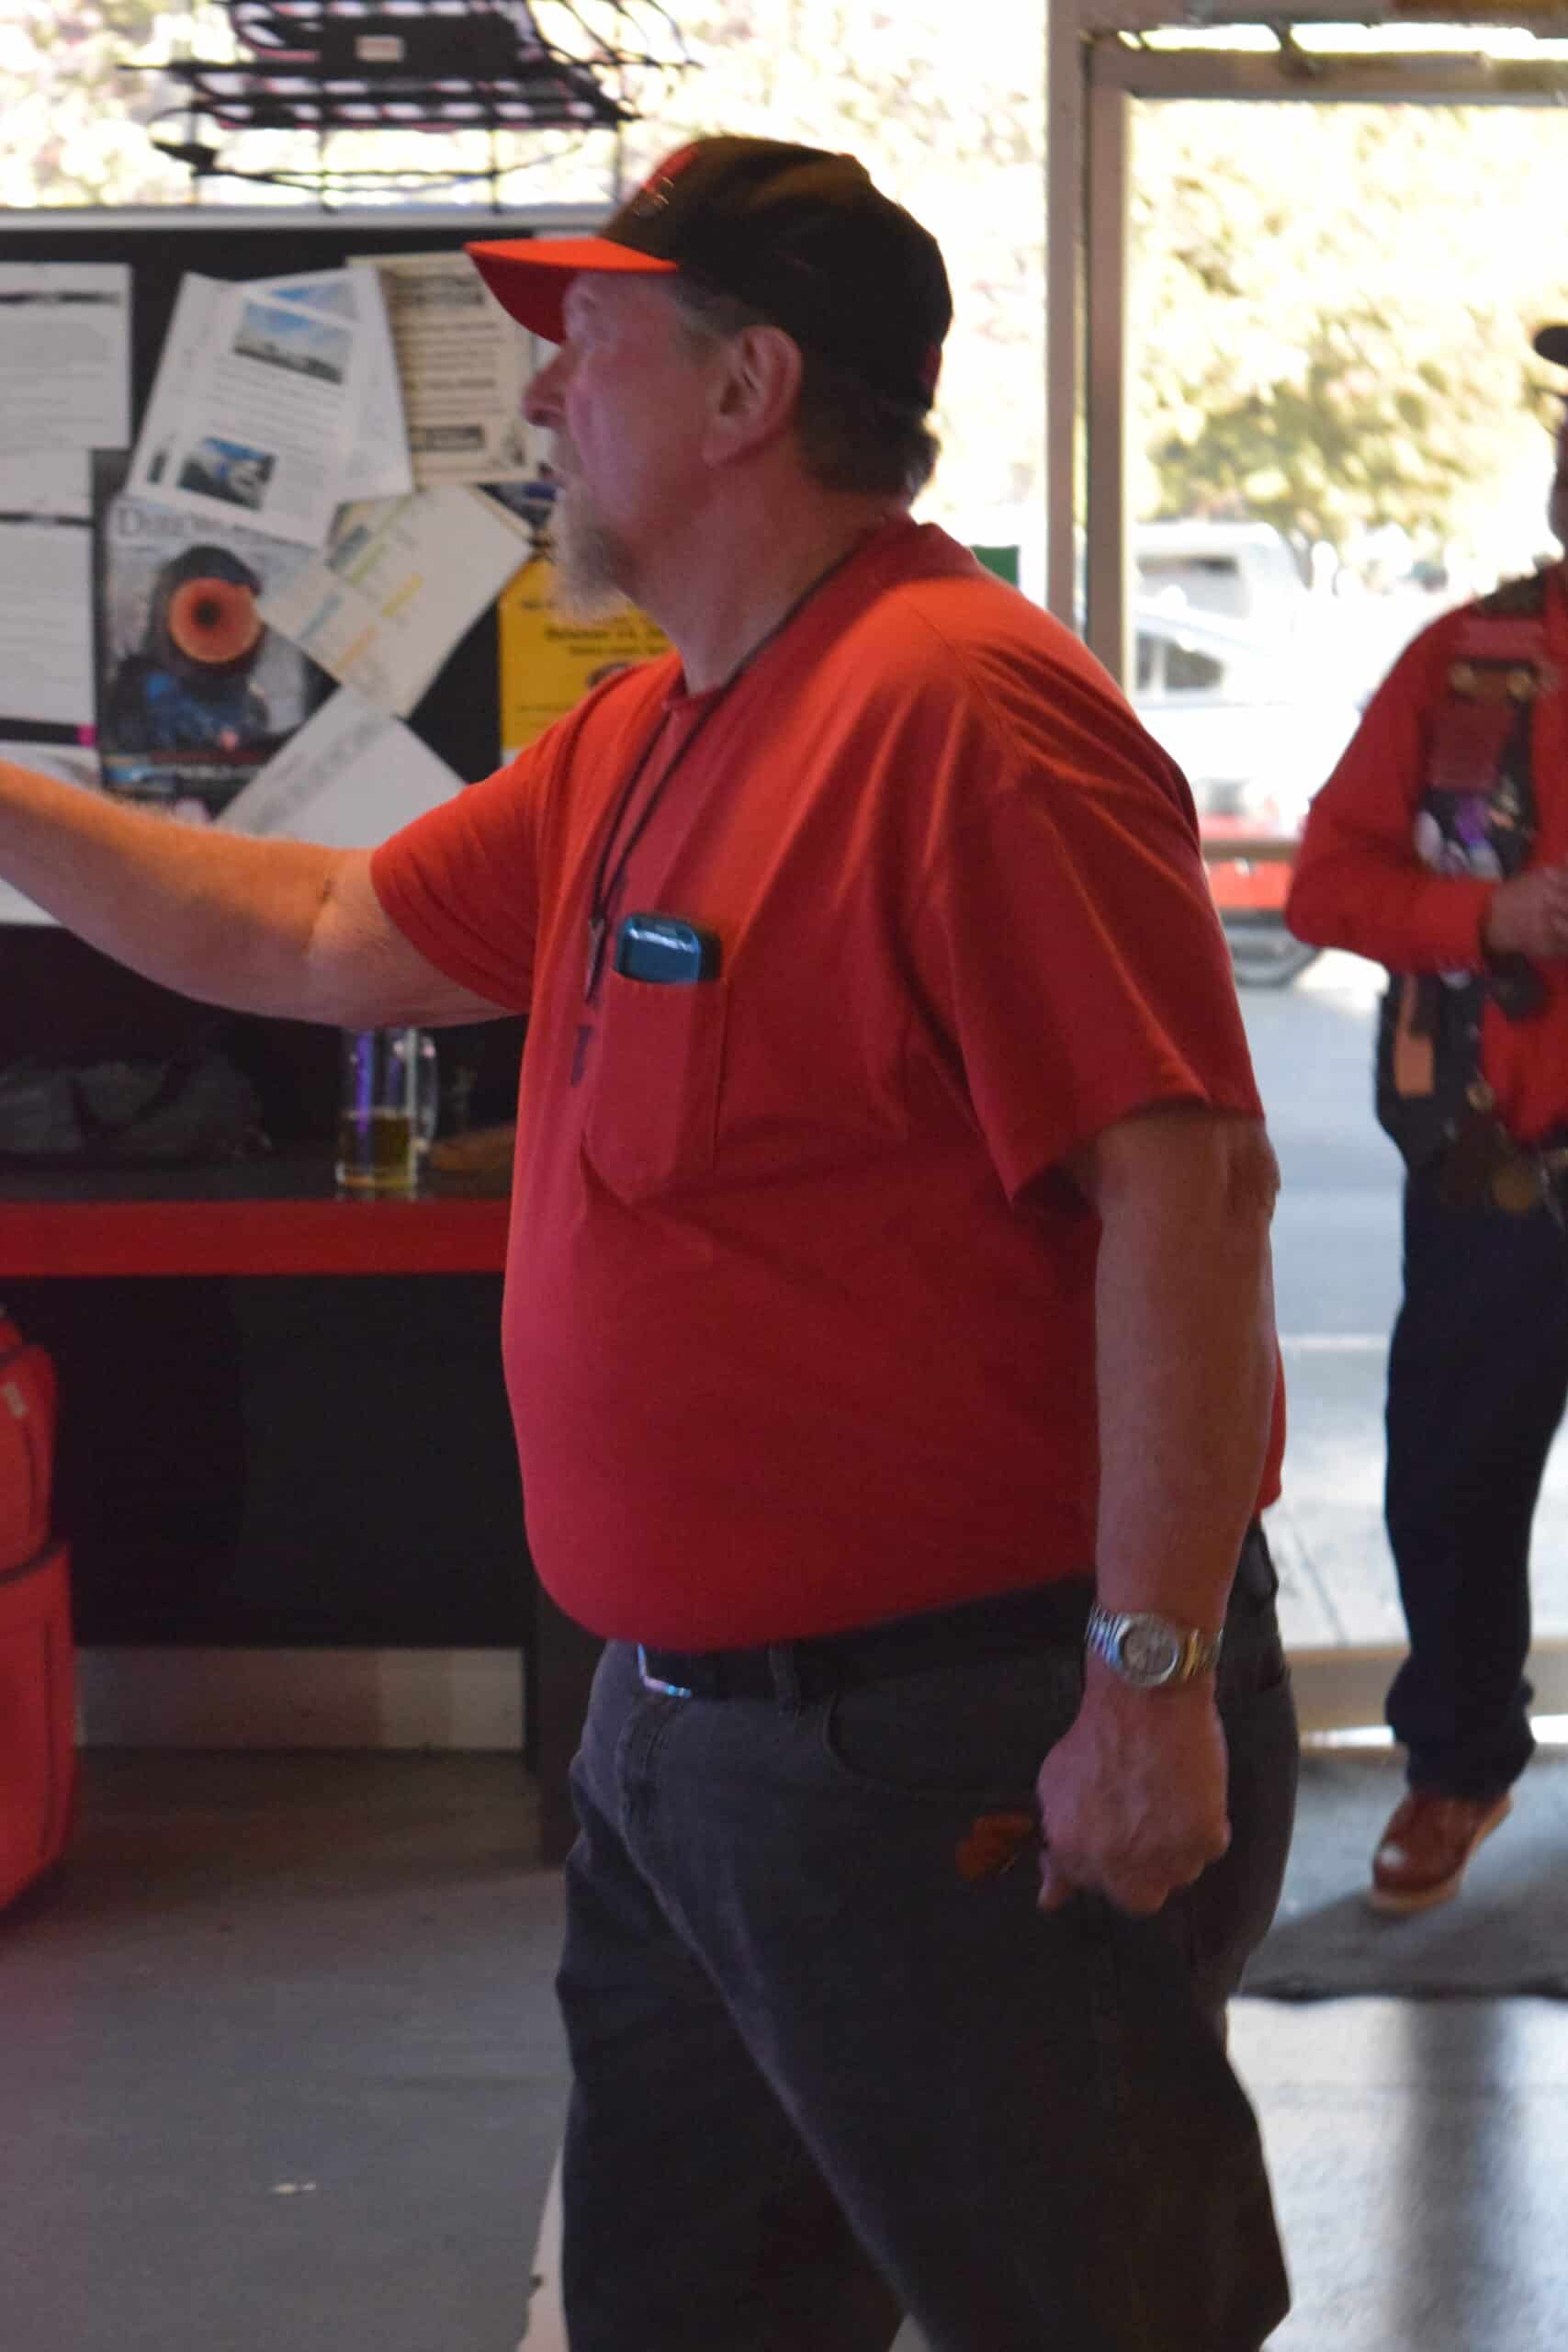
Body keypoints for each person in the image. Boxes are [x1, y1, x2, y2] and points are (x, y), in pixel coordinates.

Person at [0, 138, 1296, 2351]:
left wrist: (1149, 1682)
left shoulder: (959, 713)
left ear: (743, 387)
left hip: (950, 1743)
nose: (534, 399)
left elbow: (1186, 1185)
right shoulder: (656, 724)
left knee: (1091, 2314)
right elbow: (320, 928)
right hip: (686, 1748)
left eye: (580, 343)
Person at [1286, 319, 1568, 1917]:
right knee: (1452, 1487)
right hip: (1493, 1175)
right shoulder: (1463, 663)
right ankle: (1458, 1766)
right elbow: (1325, 884)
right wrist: (1486, 918)